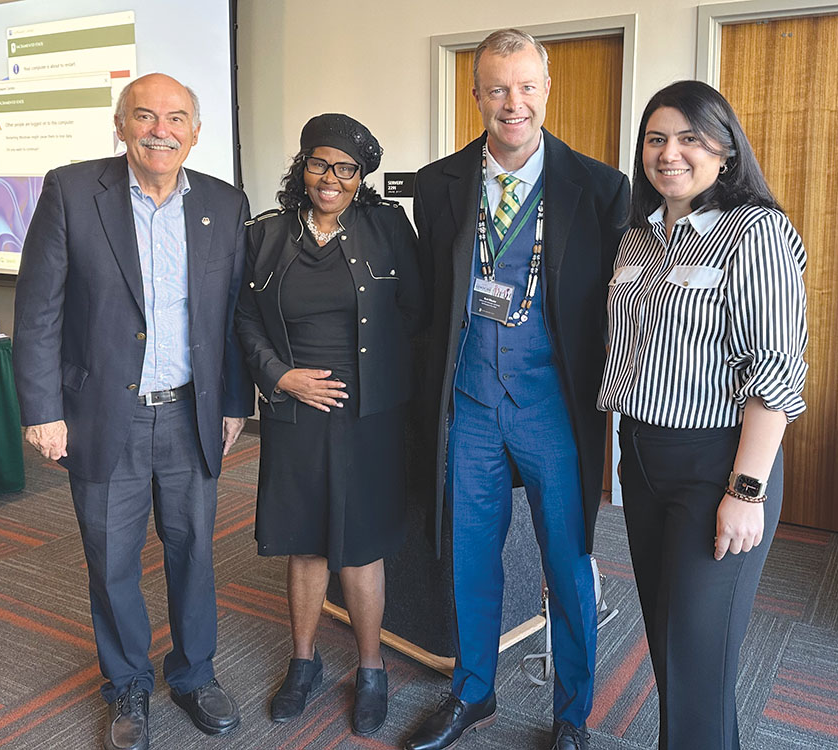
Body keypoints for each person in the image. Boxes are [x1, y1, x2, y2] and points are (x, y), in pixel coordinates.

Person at [12, 73, 251, 750]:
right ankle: (126, 686)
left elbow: (231, 316)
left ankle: (194, 672)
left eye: (176, 118)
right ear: (122, 125)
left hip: (190, 415)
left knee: (193, 552)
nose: (160, 130)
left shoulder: (225, 204)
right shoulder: (71, 190)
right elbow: (37, 312)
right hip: (101, 416)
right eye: (144, 116)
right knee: (112, 559)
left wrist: (234, 401)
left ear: (195, 131)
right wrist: (43, 409)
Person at [406, 29, 630, 750]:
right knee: (471, 557)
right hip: (470, 404)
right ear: (475, 95)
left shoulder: (599, 188)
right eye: (498, 88)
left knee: (566, 564)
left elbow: (617, 305)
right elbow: (427, 304)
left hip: (552, 409)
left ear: (547, 88)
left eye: (527, 86)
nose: (513, 103)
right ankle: (474, 694)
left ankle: (572, 714)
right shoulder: (438, 185)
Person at [598, 80, 808, 750]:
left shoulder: (756, 232)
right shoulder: (636, 241)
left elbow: (774, 369)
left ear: (725, 151)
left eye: (690, 138)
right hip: (643, 458)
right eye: (656, 139)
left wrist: (745, 491)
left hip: (720, 464)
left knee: (696, 651)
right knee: (672, 645)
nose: (670, 153)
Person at [234, 113, 422, 735]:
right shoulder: (265, 234)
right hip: (295, 412)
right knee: (306, 540)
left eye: (347, 169)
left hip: (369, 413)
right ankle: (304, 662)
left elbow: (415, 314)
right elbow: (243, 319)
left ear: (362, 177)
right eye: (321, 164)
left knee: (362, 544)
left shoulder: (389, 227)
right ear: (303, 166)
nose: (331, 178)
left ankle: (371, 669)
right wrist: (279, 376)